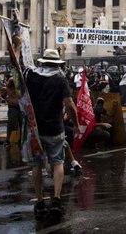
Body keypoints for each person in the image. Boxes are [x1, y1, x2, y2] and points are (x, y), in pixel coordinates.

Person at [24, 48, 79, 221]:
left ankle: (40, 201)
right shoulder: (60, 79)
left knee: (37, 165)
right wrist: (76, 124)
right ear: (57, 64)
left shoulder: (31, 76)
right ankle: (56, 199)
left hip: (35, 129)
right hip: (54, 128)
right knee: (57, 162)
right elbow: (69, 104)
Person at [2, 75, 21, 146]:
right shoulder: (12, 80)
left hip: (19, 106)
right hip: (13, 107)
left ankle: (20, 139)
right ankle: (7, 140)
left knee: (21, 124)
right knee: (11, 124)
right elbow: (6, 92)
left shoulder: (19, 81)